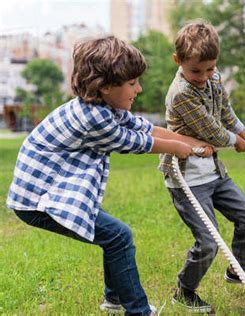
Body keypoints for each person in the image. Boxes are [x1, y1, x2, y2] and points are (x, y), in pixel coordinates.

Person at [6, 36, 213, 315]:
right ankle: (138, 310)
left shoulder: (105, 107)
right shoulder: (92, 118)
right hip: (37, 200)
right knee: (118, 237)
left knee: (113, 238)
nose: (138, 89)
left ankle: (114, 299)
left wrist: (191, 143)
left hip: (52, 191)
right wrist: (177, 147)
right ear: (104, 86)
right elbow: (134, 142)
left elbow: (145, 128)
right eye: (132, 83)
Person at [158, 20, 245, 313]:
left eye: (210, 69)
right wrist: (236, 141)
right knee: (208, 243)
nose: (203, 77)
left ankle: (240, 269)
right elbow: (212, 130)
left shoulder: (214, 78)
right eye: (196, 70)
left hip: (213, 173)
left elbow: (225, 112)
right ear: (178, 61)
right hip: (186, 179)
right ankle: (184, 291)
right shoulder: (181, 93)